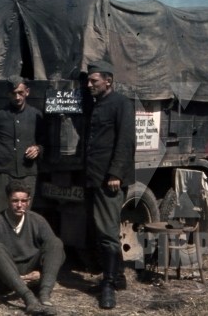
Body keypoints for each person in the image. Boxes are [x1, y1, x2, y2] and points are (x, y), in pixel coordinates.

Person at [85, 60, 136, 309]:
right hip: (93, 177)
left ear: (108, 81)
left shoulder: (121, 104)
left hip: (109, 179)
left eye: (94, 81)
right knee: (102, 230)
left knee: (106, 233)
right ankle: (119, 275)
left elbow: (126, 141)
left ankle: (108, 285)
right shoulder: (96, 105)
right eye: (88, 80)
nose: (89, 85)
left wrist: (115, 173)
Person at [0, 180, 64, 316]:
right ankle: (28, 298)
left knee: (55, 242)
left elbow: (57, 253)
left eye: (23, 201)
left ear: (28, 201)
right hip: (3, 278)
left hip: (30, 275)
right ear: (8, 200)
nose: (19, 205)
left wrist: (41, 273)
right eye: (15, 201)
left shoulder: (37, 220)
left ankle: (45, 295)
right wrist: (13, 277)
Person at [0, 76, 44, 215]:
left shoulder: (35, 115)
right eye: (13, 93)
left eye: (20, 93)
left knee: (22, 213)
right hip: (2, 174)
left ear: (27, 92)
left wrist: (38, 148)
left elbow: (45, 140)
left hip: (26, 173)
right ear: (8, 94)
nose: (17, 97)